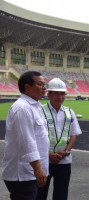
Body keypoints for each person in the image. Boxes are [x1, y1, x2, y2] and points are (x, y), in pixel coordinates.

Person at [2, 71, 49, 200]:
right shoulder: (23, 108)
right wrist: (38, 169)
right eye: (40, 84)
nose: (44, 88)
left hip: (30, 173)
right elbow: (27, 141)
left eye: (44, 84)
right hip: (23, 174)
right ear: (27, 87)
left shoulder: (35, 107)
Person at [36, 78, 82, 200]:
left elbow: (74, 134)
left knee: (61, 194)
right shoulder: (39, 111)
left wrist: (66, 151)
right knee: (40, 194)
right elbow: (35, 137)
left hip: (64, 160)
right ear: (49, 94)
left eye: (62, 94)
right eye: (56, 93)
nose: (60, 97)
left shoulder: (69, 112)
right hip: (45, 161)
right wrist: (48, 155)